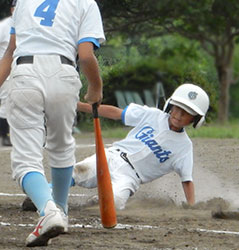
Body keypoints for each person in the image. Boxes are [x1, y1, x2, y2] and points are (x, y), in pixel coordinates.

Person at [0, 0, 105, 247]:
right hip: (64, 72)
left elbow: (10, 52)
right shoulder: (86, 2)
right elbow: (86, 56)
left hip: (26, 72)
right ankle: (61, 211)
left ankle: (49, 213)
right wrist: (95, 87)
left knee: (26, 158)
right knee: (62, 147)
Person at [23, 83, 210, 211]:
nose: (178, 114)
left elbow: (186, 179)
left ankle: (95, 203)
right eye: (177, 108)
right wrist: (79, 105)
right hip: (112, 156)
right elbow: (117, 114)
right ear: (170, 105)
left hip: (130, 177)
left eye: (186, 113)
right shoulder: (152, 115)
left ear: (195, 120)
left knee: (115, 202)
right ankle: (44, 195)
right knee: (79, 171)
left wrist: (191, 207)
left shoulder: (184, 147)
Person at [0, 0, 15, 147]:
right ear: (11, 9)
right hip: (5, 69)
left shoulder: (27, 23)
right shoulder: (5, 26)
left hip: (21, 68)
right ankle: (5, 135)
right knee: (6, 101)